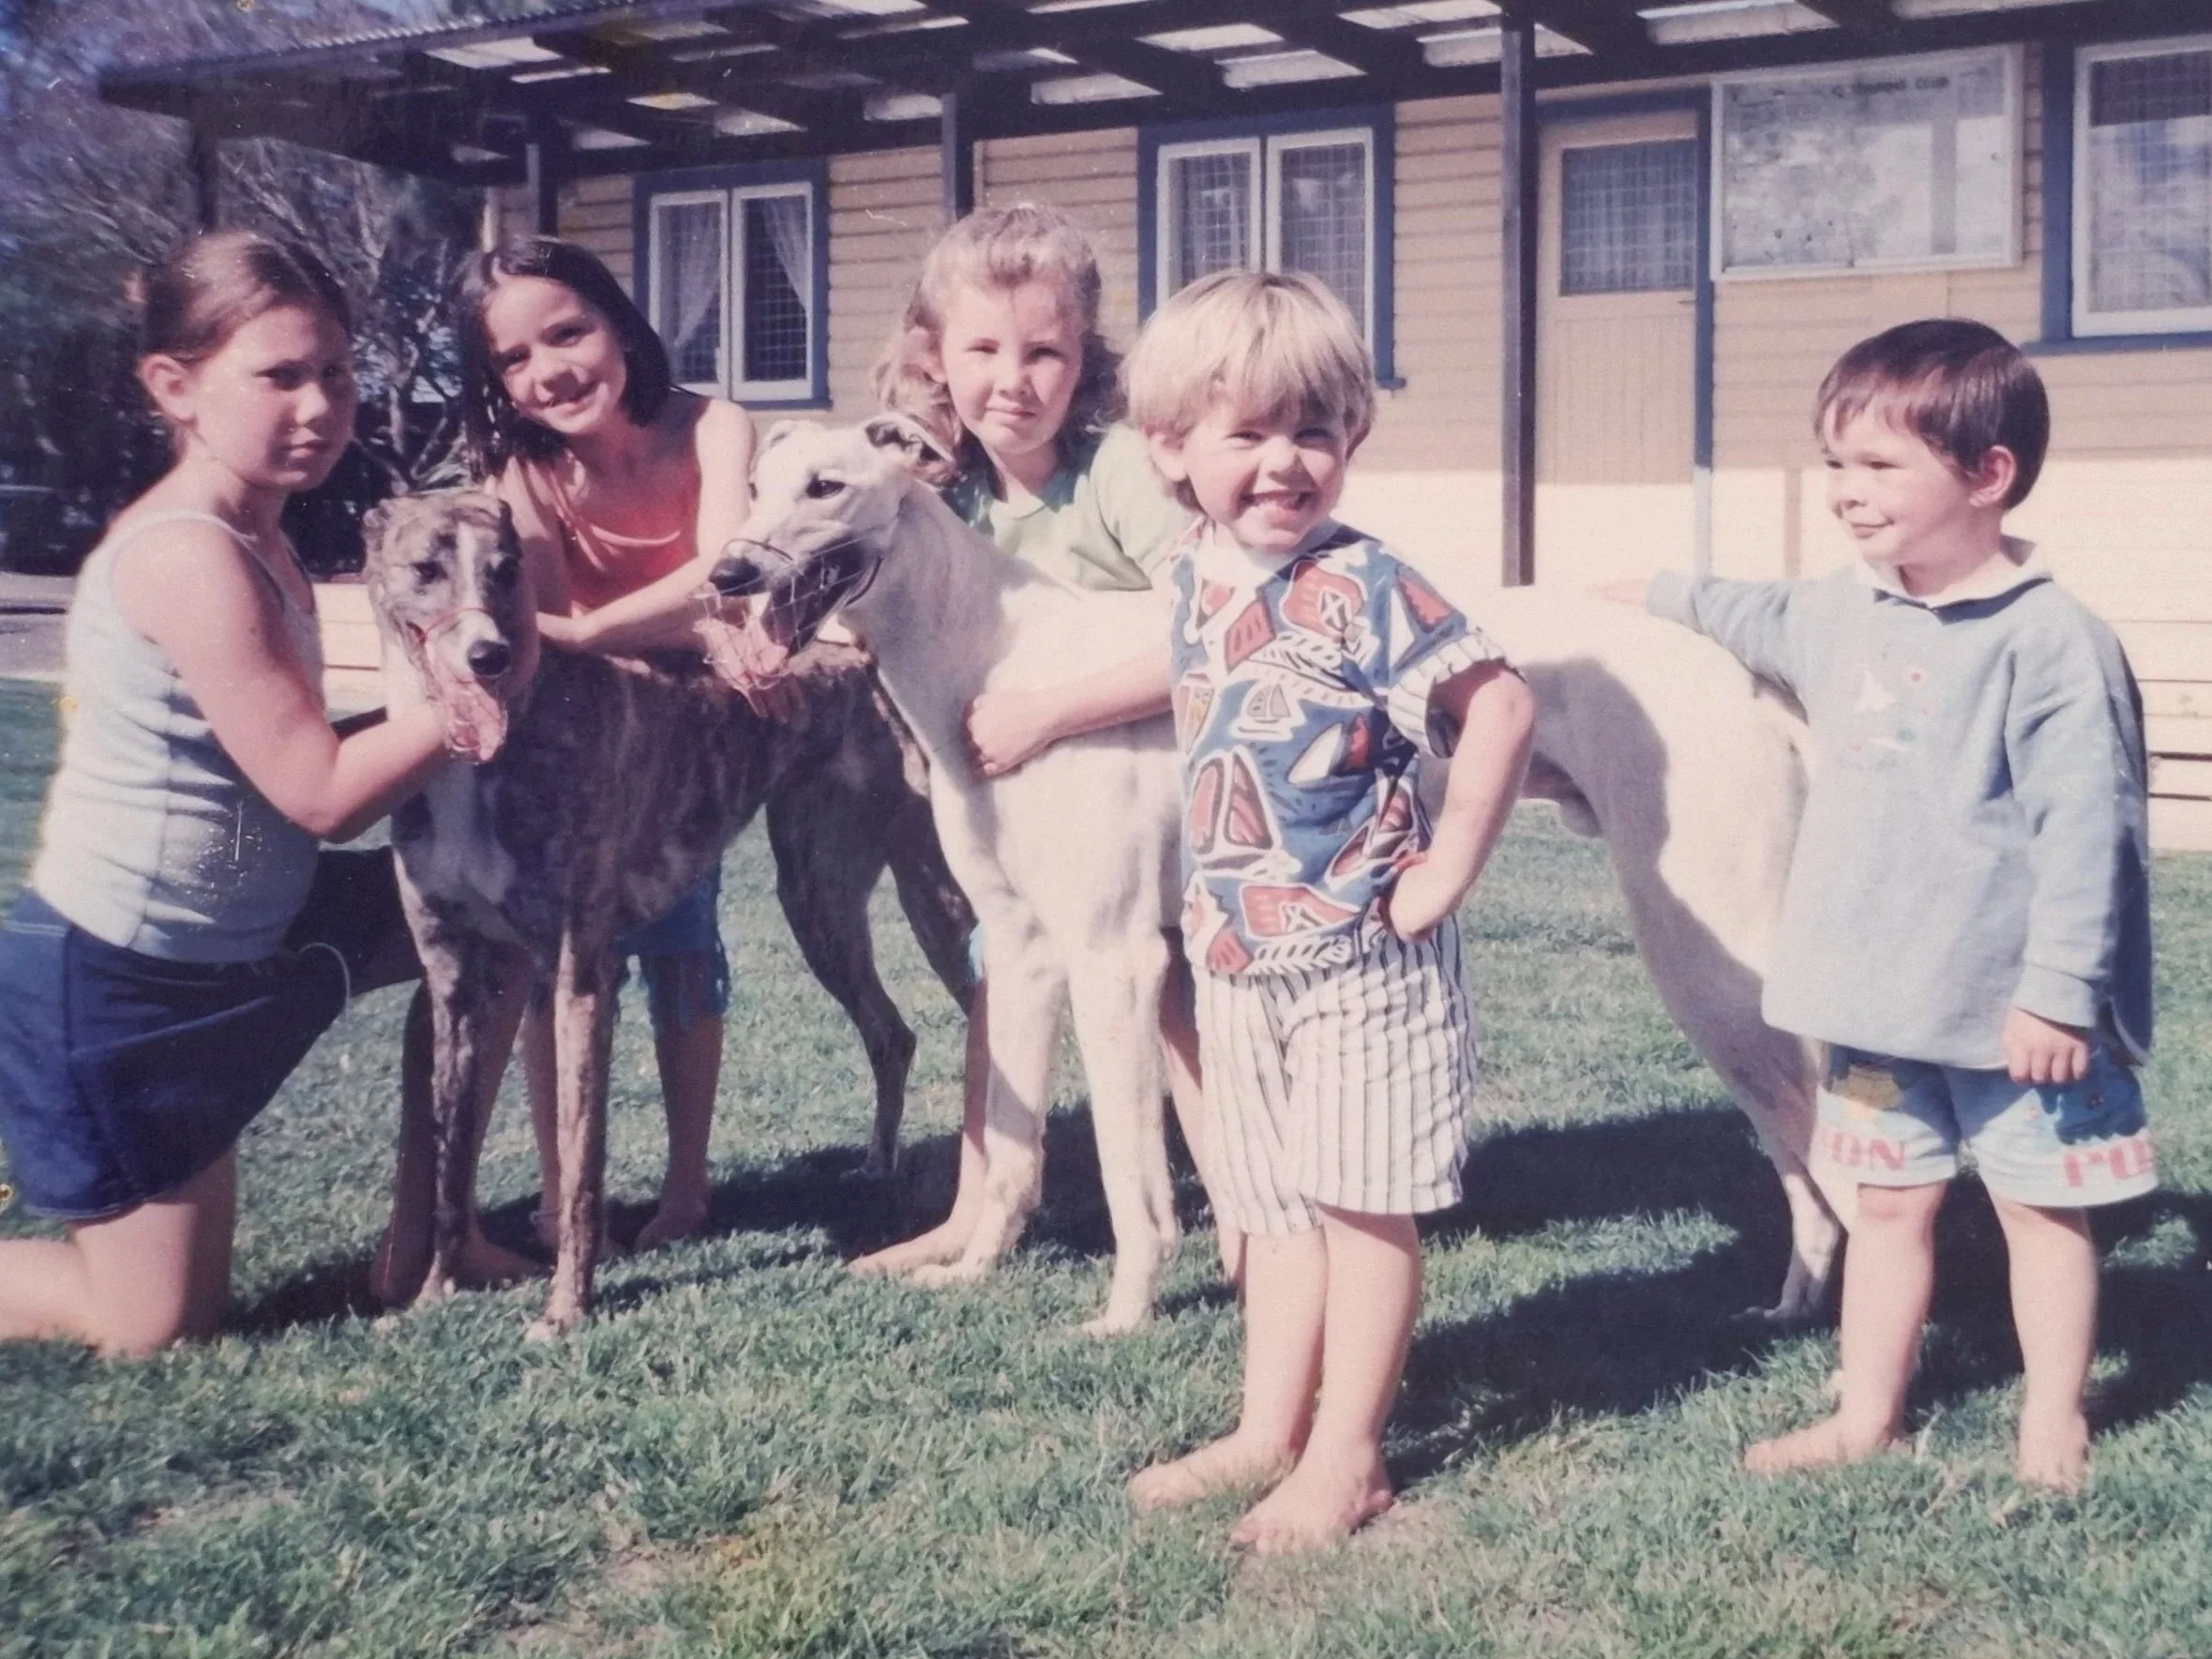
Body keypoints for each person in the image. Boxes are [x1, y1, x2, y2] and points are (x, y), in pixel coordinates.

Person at [1633, 318, 2155, 1492]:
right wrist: (1644, 591)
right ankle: (1865, 1411)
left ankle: (2052, 1415)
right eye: (1833, 464)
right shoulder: (1841, 610)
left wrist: (2061, 997)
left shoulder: (2051, 643)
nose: (1844, 494)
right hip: (1874, 1010)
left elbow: (2093, 837)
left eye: (1877, 467)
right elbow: (1742, 610)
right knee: (1885, 1205)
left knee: (2038, 1215)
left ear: (1987, 476)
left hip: (2018, 1023)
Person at [1122, 270, 1535, 1551]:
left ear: (1348, 437)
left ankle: (1347, 1456)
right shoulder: (1191, 572)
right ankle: (1265, 1428)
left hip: (1362, 952)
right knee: (1274, 1208)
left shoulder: (1367, 582)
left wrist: (1447, 868)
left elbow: (1501, 707)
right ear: (1171, 450)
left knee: (1360, 1203)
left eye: (1314, 429)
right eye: (1244, 432)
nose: (1283, 462)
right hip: (1238, 953)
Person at [0, 231, 466, 1355]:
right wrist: (473, 697)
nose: (320, 405)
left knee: (486, 927)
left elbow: (289, 744)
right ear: (174, 385)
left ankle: (432, 1237)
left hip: (261, 938)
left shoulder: (264, 533)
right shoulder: (185, 552)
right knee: (152, 1323)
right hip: (123, 984)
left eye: (338, 373)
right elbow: (318, 791)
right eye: (279, 375)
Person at [853, 204, 1226, 1279]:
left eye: (1043, 351)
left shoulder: (1117, 475)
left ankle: (1246, 1226)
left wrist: (1047, 711)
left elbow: (1207, 634)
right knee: (1002, 973)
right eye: (982, 349)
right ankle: (983, 1205)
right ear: (936, 353)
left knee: (1173, 1006)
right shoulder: (935, 488)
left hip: (1138, 784)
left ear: (1083, 359)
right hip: (1012, 799)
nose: (1011, 380)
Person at [455, 235, 762, 1257]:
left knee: (683, 945)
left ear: (620, 324)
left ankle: (684, 1188)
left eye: (569, 331)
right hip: (580, 744)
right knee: (566, 962)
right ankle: (558, 1191)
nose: (550, 370)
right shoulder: (526, 468)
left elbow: (724, 574)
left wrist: (588, 629)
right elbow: (532, 615)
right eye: (514, 358)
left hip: (693, 734)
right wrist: (596, 632)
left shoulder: (714, 425)